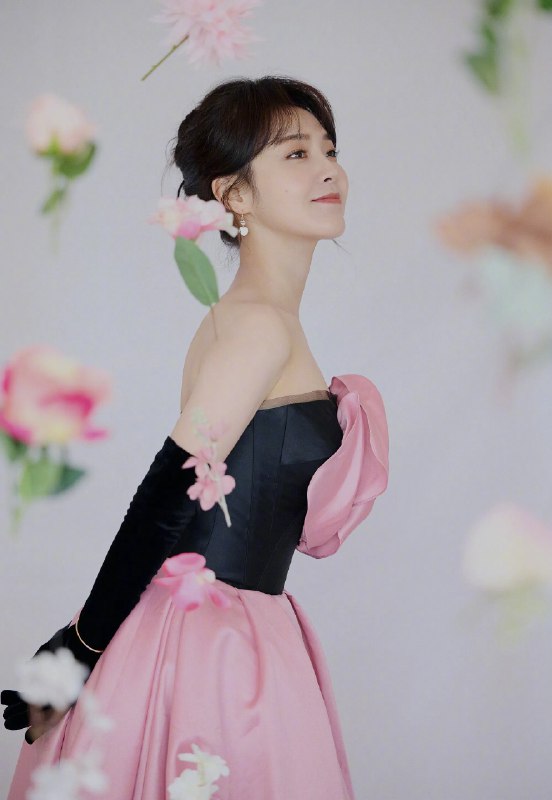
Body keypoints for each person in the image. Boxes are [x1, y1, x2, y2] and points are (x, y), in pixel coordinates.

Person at [2, 75, 389, 799]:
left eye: (330, 149)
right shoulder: (258, 327)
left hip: (233, 633)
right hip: (214, 653)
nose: (328, 169)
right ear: (234, 194)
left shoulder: (263, 319)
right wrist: (80, 647)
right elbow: (167, 494)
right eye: (296, 154)